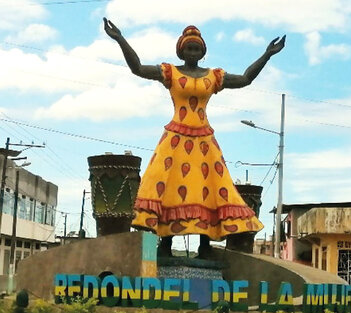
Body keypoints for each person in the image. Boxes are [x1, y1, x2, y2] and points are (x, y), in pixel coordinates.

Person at [103, 18, 286, 257]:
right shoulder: (170, 72)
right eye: (189, 48)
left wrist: (267, 55)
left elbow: (244, 79)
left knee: (206, 190)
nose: (192, 52)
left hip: (204, 141)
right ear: (181, 50)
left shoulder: (213, 76)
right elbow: (137, 68)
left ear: (202, 51)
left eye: (196, 48)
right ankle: (165, 244)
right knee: (168, 187)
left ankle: (204, 245)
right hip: (175, 139)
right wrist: (120, 39)